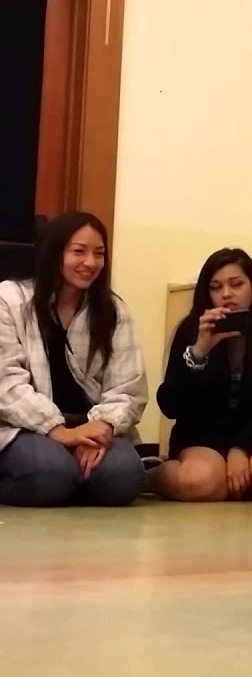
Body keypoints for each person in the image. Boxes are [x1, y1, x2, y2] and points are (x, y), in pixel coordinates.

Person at [0, 211, 147, 507]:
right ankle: (65, 479)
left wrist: (103, 428)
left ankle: (71, 480)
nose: (90, 262)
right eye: (79, 251)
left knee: (124, 476)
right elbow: (6, 382)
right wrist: (58, 431)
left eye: (99, 253)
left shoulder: (112, 311)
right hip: (25, 425)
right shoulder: (9, 298)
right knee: (50, 473)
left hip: (91, 424)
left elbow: (128, 388)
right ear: (54, 253)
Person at [153, 249, 252, 501]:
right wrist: (199, 351)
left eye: (236, 284)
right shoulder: (193, 328)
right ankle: (151, 474)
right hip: (203, 435)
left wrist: (240, 447)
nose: (226, 294)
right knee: (201, 482)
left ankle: (239, 478)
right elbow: (170, 406)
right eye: (216, 287)